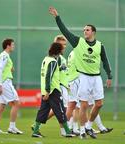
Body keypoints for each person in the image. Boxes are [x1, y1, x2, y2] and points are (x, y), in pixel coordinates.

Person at [49, 7, 112, 139]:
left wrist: (109, 76)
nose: (85, 31)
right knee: (83, 105)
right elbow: (65, 31)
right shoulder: (78, 42)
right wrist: (57, 17)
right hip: (83, 77)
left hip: (96, 77)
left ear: (93, 32)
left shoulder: (100, 45)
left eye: (87, 30)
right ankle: (82, 130)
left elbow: (105, 61)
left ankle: (89, 126)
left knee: (99, 104)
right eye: (84, 30)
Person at [32, 42, 73, 138]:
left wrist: (45, 91)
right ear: (58, 50)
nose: (63, 50)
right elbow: (48, 76)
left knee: (43, 111)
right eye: (62, 49)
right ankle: (67, 131)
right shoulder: (53, 61)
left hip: (45, 90)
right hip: (53, 90)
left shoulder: (46, 59)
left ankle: (36, 131)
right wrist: (48, 90)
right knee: (61, 110)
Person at [0, 38, 23, 134]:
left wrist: (10, 68)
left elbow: (4, 68)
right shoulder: (4, 55)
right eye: (12, 45)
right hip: (5, 83)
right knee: (16, 103)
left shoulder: (6, 56)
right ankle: (12, 127)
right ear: (8, 46)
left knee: (1, 106)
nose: (14, 46)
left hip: (3, 82)